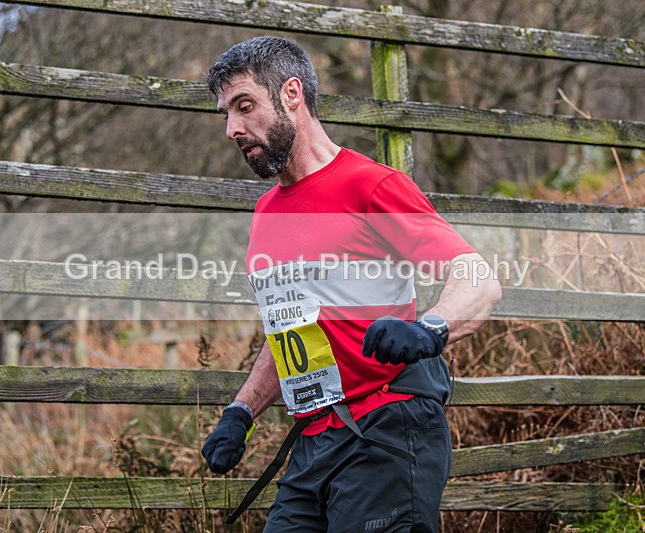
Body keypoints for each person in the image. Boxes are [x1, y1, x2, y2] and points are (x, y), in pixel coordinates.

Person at [201, 36, 502, 532]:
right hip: (313, 441)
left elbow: (478, 278)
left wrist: (430, 329)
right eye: (226, 114)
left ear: (292, 95)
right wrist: (242, 410)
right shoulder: (265, 212)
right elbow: (295, 330)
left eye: (245, 106)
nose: (232, 128)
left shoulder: (370, 186)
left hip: (387, 428)